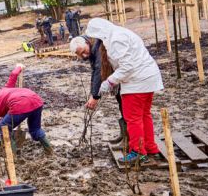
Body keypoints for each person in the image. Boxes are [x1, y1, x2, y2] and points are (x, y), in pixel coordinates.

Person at [82, 18, 164, 163]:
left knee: (132, 118)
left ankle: (138, 152)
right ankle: (150, 147)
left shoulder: (115, 40)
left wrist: (110, 82)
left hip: (137, 83)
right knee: (144, 115)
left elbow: (127, 67)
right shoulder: (121, 33)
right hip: (148, 78)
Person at [0, 64, 53, 155]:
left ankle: (12, 155)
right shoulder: (4, 90)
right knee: (35, 129)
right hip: (36, 100)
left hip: (20, 104)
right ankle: (50, 151)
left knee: (3, 126)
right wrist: (19, 67)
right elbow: (13, 76)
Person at [70, 34, 126, 144]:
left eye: (84, 51)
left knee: (126, 107)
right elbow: (95, 72)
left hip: (123, 77)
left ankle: (129, 139)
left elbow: (99, 71)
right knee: (122, 105)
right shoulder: (91, 49)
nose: (84, 55)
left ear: (86, 43)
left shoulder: (98, 46)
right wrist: (92, 93)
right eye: (81, 54)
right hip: (117, 79)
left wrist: (95, 96)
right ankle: (125, 135)